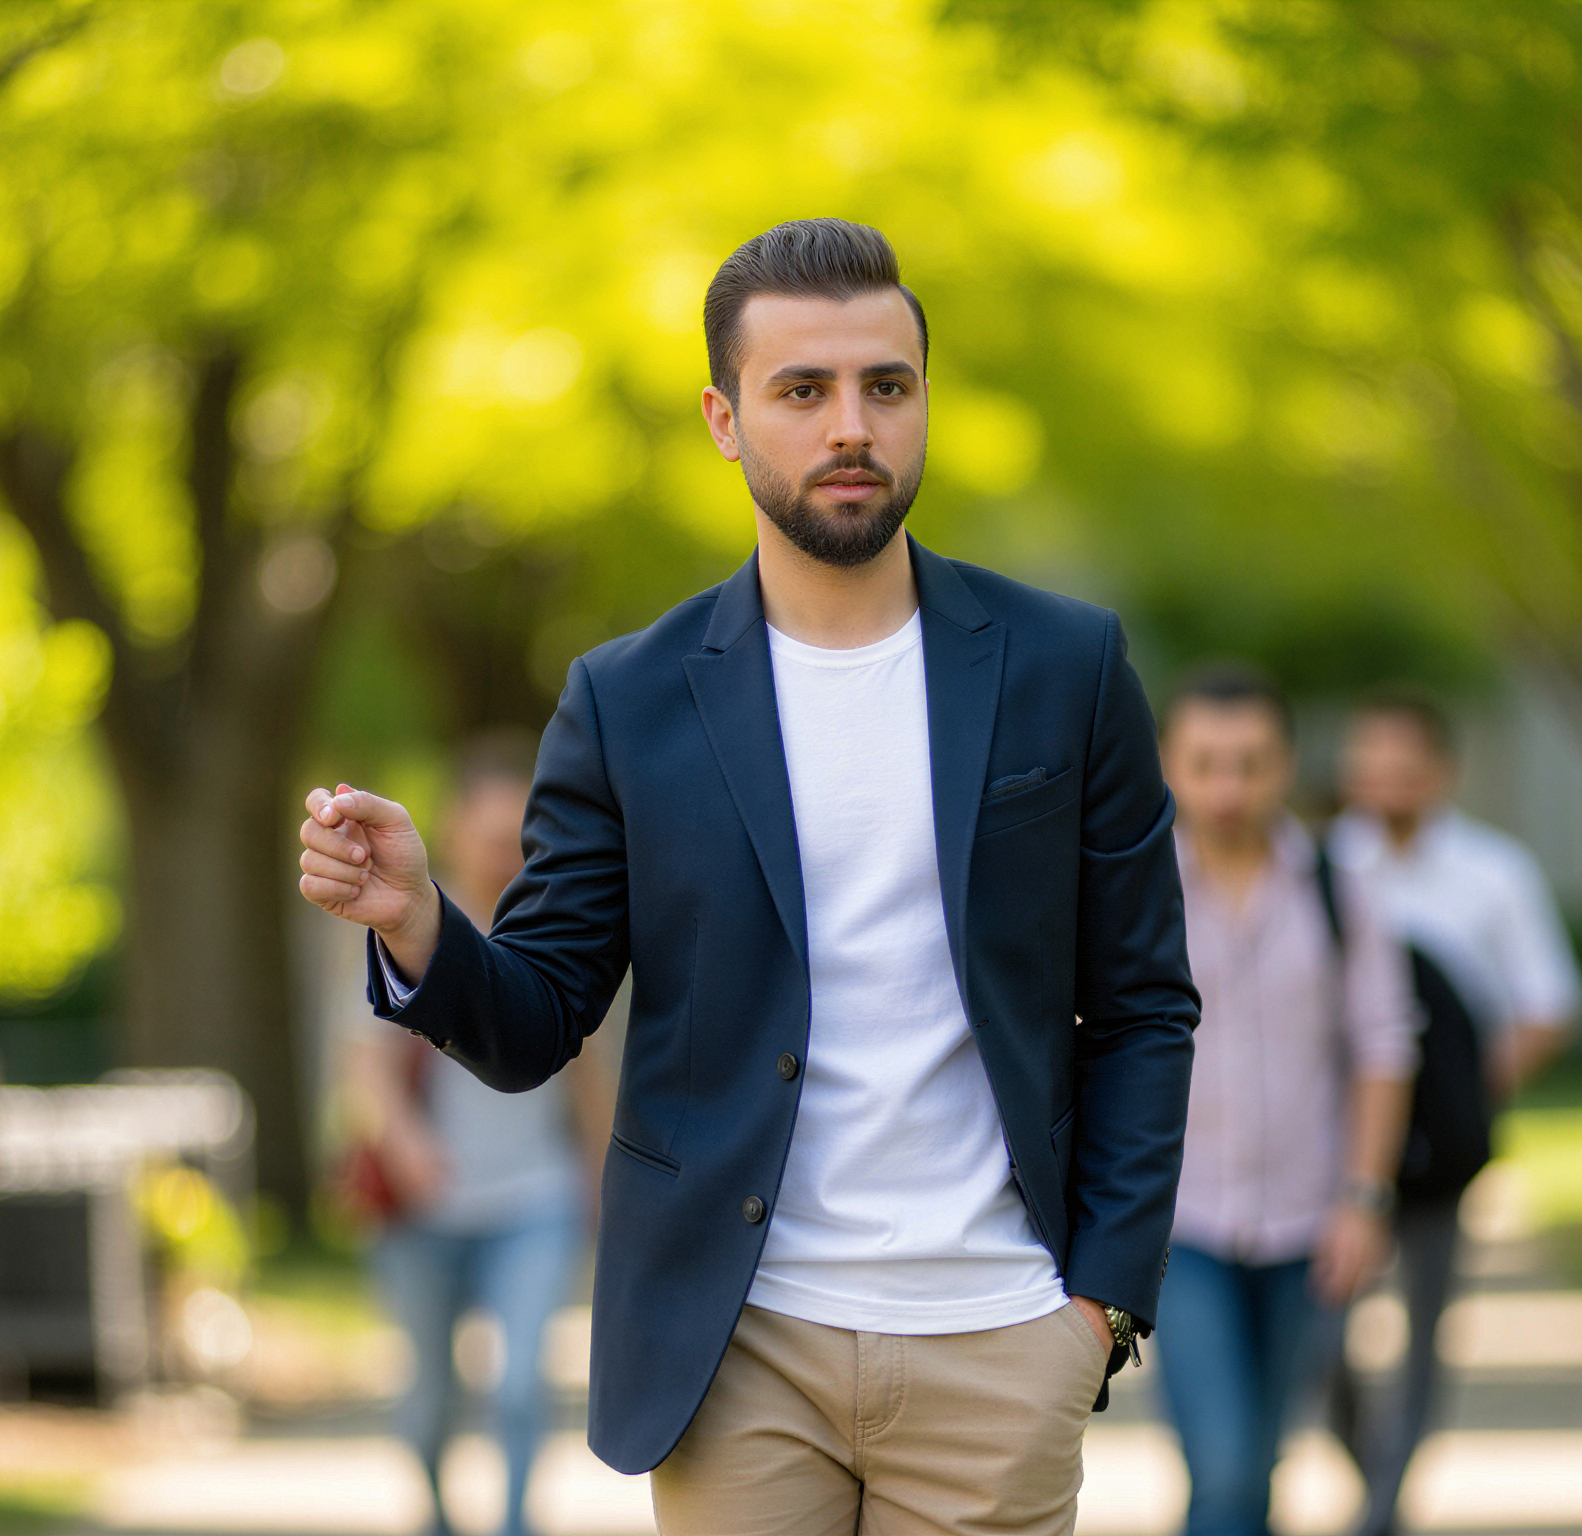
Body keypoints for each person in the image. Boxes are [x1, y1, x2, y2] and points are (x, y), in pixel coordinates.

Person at [297, 217, 1199, 1535]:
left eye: (886, 386)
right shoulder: (629, 701)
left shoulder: (1067, 669)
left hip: (997, 1332)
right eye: (803, 390)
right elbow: (544, 1012)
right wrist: (422, 921)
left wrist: (1097, 1306)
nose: (853, 426)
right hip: (740, 1347)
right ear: (725, 419)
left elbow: (1142, 1005)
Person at [1156, 666, 1416, 1536]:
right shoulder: (1134, 890)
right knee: (1223, 1466)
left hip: (1309, 1225)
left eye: (1251, 762)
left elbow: (1384, 1045)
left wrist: (1363, 1198)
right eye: (1206, 763)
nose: (1228, 787)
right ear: (1169, 765)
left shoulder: (1340, 888)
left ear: (1287, 766)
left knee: (1259, 1466)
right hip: (1177, 1225)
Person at [1328, 691, 1582, 1536]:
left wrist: (1466, 1088)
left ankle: (1382, 1509)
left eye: (1405, 770)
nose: (1387, 787)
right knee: (1321, 1345)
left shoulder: (1494, 873)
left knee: (1421, 1335)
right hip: (1335, 1150)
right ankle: (1375, 1474)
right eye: (1372, 769)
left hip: (1439, 1154)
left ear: (1441, 773)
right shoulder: (1321, 866)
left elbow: (1547, 1006)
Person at [345, 736, 610, 1536]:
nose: (503, 851)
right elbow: (364, 1067)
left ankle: (517, 1525)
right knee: (429, 1401)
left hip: (535, 1198)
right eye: (490, 834)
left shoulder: (561, 930)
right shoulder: (400, 921)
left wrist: (604, 1183)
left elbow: (590, 1076)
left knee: (524, 1384)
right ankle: (435, 1516)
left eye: (516, 834)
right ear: (452, 828)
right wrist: (407, 1146)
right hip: (428, 1205)